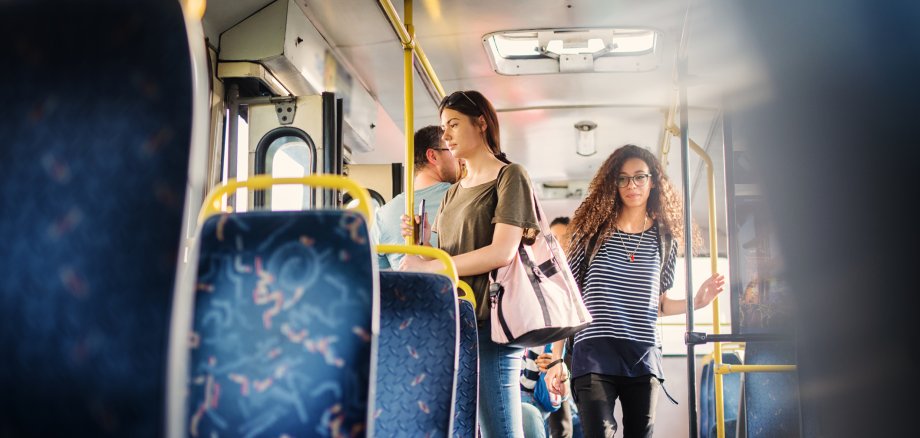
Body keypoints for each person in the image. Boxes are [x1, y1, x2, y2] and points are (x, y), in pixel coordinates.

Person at [544, 144, 725, 438]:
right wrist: (555, 359)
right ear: (612, 183)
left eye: (640, 177)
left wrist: (697, 302)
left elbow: (659, 305)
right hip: (594, 351)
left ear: (653, 181)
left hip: (643, 354)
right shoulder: (589, 232)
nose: (632, 186)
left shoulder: (664, 240)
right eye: (623, 178)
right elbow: (570, 298)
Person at [398, 90, 540, 437]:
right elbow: (442, 257)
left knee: (500, 429)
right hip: (457, 321)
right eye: (443, 127)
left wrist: (437, 267)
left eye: (454, 124)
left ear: (481, 123)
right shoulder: (451, 192)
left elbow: (501, 252)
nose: (445, 135)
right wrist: (422, 245)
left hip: (491, 320)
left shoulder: (510, 177)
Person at [372, 125, 460, 269]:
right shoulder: (464, 197)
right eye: (452, 150)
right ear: (433, 156)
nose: (459, 158)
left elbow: (371, 271)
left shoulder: (383, 214)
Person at [546, 217, 578, 438]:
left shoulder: (582, 276)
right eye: (552, 239)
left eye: (561, 239)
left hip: (578, 352)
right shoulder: (544, 279)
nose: (555, 244)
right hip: (551, 353)